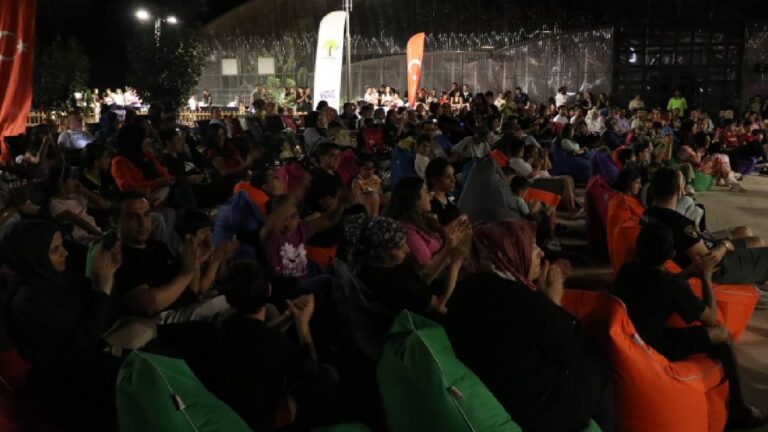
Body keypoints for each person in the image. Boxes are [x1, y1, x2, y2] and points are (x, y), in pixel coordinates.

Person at [446, 220, 614, 432]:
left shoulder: (466, 288)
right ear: (513, 253)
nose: (541, 254)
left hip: (493, 389)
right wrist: (553, 301)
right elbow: (571, 348)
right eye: (532, 248)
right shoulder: (524, 302)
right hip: (534, 412)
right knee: (598, 364)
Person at [614, 222, 767, 428]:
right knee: (721, 333)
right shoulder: (672, 285)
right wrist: (705, 277)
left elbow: (661, 283)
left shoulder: (626, 270)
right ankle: (738, 408)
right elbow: (711, 317)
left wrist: (689, 272)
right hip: (654, 347)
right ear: (671, 254)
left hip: (630, 338)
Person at [3, 220, 123, 407]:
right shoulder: (28, 302)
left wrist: (108, 272)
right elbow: (81, 345)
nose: (65, 253)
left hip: (92, 358)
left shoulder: (52, 277)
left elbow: (97, 304)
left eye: (61, 246)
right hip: (67, 381)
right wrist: (103, 287)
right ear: (34, 256)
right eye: (55, 249)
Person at [110, 193, 230, 324]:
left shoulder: (158, 246)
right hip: (156, 323)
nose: (143, 224)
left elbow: (191, 290)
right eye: (133, 217)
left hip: (185, 310)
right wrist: (187, 272)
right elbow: (149, 305)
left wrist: (195, 261)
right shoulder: (118, 256)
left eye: (146, 215)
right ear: (116, 220)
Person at [643, 167, 768, 286]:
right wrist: (725, 245)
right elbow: (707, 262)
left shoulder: (648, 213)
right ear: (680, 190)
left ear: (652, 189)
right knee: (761, 248)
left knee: (748, 235)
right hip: (717, 266)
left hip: (706, 247)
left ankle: (755, 276)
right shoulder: (679, 223)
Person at [345, 213, 466, 316]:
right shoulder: (396, 284)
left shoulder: (370, 265)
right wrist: (456, 262)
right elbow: (439, 307)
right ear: (384, 253)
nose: (407, 250)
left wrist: (448, 249)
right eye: (401, 246)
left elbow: (423, 282)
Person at [387, 176, 472, 278]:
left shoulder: (422, 220)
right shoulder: (408, 232)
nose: (431, 196)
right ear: (414, 199)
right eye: (426, 192)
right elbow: (428, 271)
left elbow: (444, 235)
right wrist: (449, 249)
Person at [509, 175, 560, 250]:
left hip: (521, 221)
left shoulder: (509, 198)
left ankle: (552, 232)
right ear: (521, 191)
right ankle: (551, 238)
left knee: (536, 202)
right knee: (552, 208)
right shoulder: (519, 200)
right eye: (526, 191)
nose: (526, 194)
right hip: (531, 225)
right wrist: (539, 212)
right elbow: (529, 217)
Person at [425, 158, 460, 226]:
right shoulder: (430, 204)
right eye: (447, 177)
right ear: (434, 180)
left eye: (453, 175)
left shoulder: (449, 197)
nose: (453, 180)